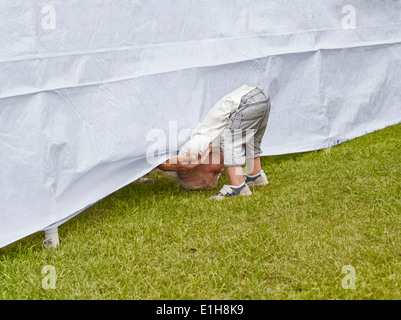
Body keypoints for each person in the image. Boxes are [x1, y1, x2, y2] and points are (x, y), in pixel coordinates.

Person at [158, 84, 271, 200]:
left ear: (199, 164)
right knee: (250, 141)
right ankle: (255, 176)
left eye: (214, 173)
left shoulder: (201, 141)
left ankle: (238, 187)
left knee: (230, 141)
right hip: (260, 97)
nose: (221, 171)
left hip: (245, 102)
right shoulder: (214, 149)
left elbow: (188, 151)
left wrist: (188, 157)